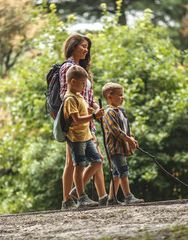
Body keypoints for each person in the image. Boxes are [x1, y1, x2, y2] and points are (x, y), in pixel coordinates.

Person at [60, 34, 108, 210]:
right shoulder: (68, 67)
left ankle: (102, 197)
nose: (86, 50)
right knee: (73, 163)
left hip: (88, 121)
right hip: (77, 124)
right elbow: (66, 95)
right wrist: (85, 115)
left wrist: (95, 108)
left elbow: (87, 97)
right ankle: (71, 198)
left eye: (87, 47)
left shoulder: (81, 68)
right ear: (72, 46)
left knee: (96, 160)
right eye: (82, 46)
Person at [102, 82, 144, 205]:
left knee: (116, 173)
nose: (122, 97)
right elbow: (115, 130)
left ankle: (111, 199)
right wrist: (128, 139)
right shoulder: (109, 112)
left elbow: (126, 127)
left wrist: (131, 138)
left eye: (123, 95)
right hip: (115, 148)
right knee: (123, 171)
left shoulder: (121, 111)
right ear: (109, 97)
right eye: (119, 95)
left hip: (122, 147)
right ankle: (128, 196)